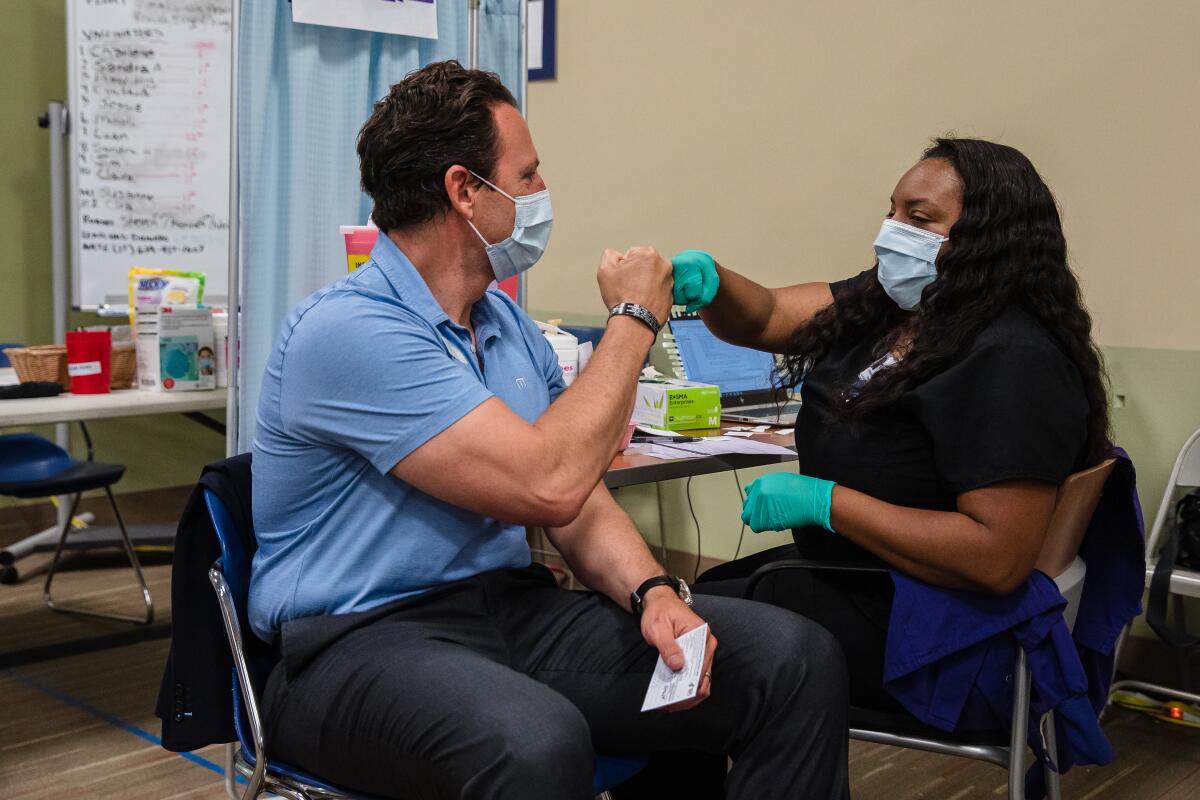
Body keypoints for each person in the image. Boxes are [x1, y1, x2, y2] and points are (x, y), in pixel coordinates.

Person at [248, 60, 848, 800]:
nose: (541, 195)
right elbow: (548, 478)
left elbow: (578, 500)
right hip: (357, 645)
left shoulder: (504, 325)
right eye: (527, 177)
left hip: (509, 612)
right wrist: (634, 317)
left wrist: (654, 591)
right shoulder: (348, 331)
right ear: (466, 190)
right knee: (534, 741)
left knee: (790, 657)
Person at [681, 138, 1112, 713]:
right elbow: (769, 316)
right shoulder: (896, 307)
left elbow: (997, 557)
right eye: (893, 211)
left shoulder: (1014, 358)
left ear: (990, 239)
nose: (892, 231)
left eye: (920, 218)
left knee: (689, 633)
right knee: (689, 601)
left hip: (935, 624)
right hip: (863, 580)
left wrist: (828, 503)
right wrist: (714, 280)